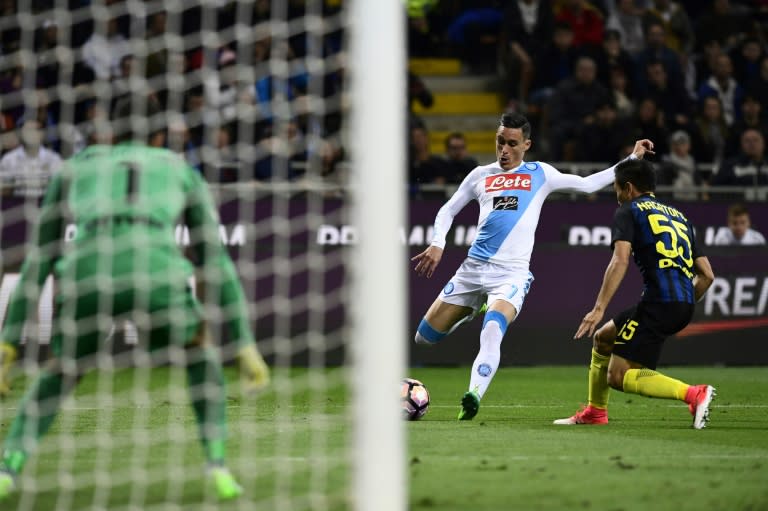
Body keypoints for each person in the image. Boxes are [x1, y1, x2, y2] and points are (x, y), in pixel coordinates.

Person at [0, 97, 270, 502]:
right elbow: (216, 262)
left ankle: (8, 468)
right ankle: (218, 465)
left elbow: (40, 262)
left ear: (107, 131)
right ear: (161, 136)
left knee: (61, 372)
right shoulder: (179, 168)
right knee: (200, 352)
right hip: (155, 271)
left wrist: (7, 343)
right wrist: (245, 343)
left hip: (89, 272)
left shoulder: (75, 166)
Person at [411, 112, 655, 420]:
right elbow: (447, 210)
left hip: (510, 275)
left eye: (512, 144)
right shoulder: (479, 175)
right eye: (500, 142)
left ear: (526, 144)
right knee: (424, 337)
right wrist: (437, 243)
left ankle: (473, 395)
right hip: (472, 270)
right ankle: (472, 309)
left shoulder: (541, 173)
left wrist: (632, 157)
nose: (505, 150)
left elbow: (589, 184)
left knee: (492, 331)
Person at [553, 158, 716, 429]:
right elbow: (708, 275)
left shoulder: (629, 210)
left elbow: (619, 261)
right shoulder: (679, 216)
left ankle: (694, 394)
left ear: (628, 188)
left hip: (658, 303)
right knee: (604, 338)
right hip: (682, 302)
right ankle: (595, 412)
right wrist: (682, 304)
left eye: (617, 189)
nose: (616, 197)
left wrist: (598, 308)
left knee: (618, 376)